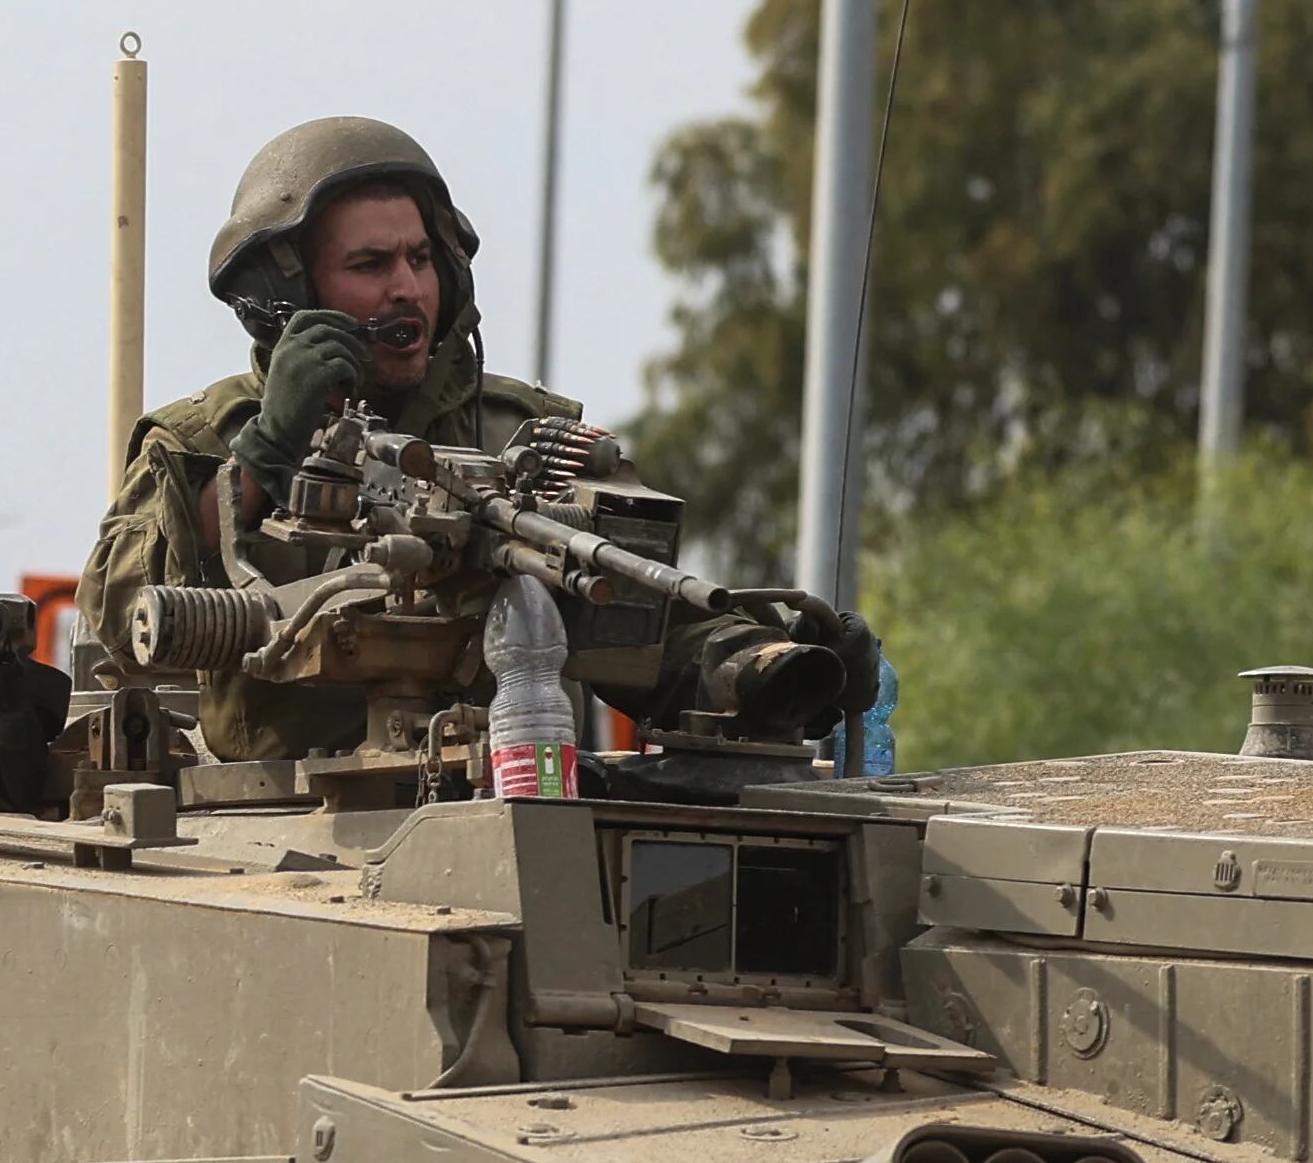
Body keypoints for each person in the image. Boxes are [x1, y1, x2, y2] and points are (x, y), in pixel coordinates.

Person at [80, 116, 849, 761]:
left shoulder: (520, 434)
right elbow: (122, 621)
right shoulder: (198, 445)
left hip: (505, 799)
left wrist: (766, 664)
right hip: (274, 824)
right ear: (287, 297)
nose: (406, 288)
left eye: (420, 258)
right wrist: (268, 453)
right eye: (369, 264)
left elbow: (639, 633)